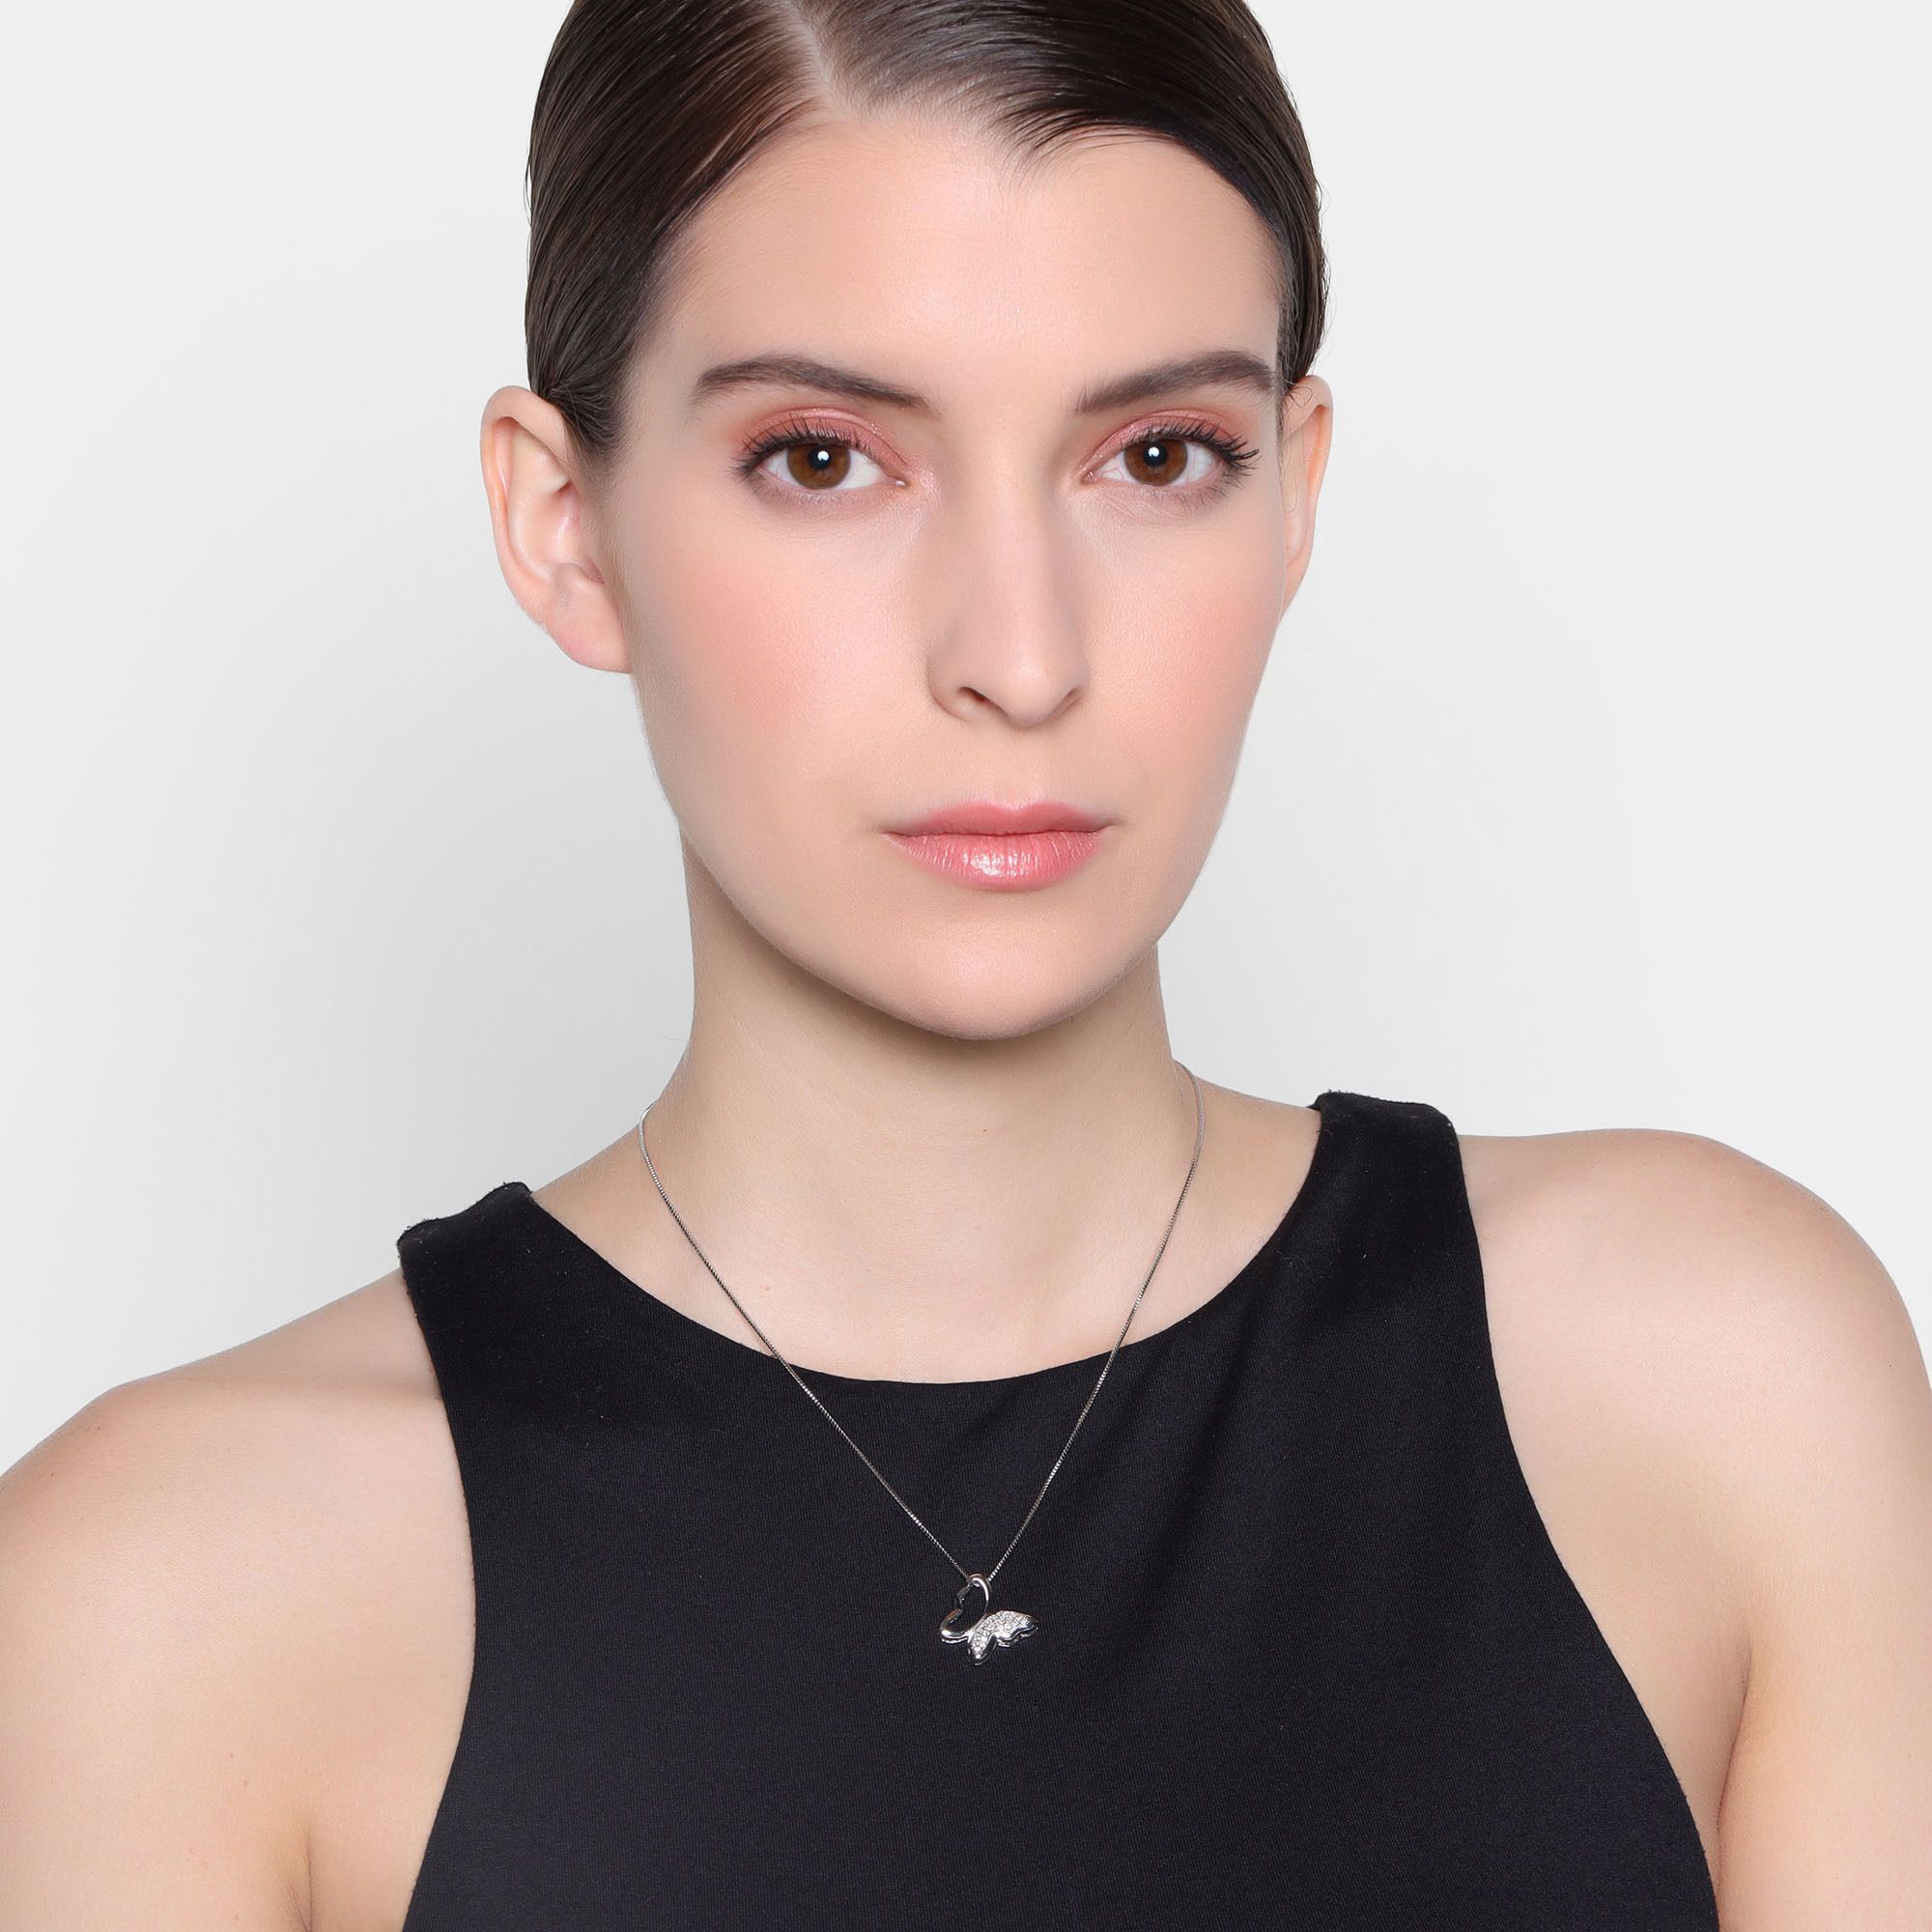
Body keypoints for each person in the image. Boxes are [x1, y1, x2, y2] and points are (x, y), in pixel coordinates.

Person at [3, 1, 1928, 1924]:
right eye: (823, 459)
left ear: (1295, 493)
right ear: (564, 524)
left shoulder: (1710, 1380)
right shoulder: (173, 1599)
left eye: (1157, 454)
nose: (1020, 653)